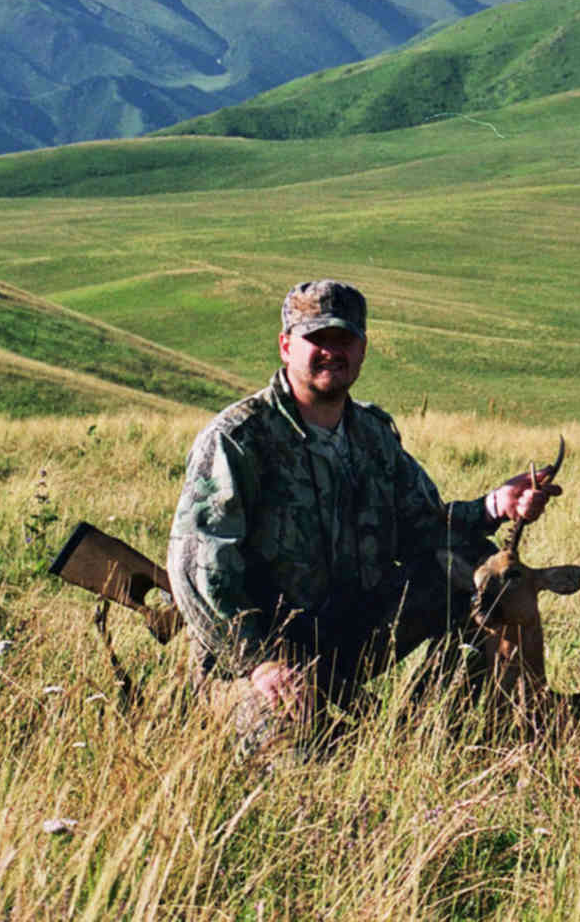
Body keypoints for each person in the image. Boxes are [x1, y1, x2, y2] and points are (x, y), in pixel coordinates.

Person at [168, 279, 558, 749]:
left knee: (475, 570)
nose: (332, 352)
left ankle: (435, 731)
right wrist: (262, 663)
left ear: (363, 349)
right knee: (298, 757)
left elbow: (425, 529)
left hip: (347, 636)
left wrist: (495, 506)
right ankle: (266, 720)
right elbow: (197, 569)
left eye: (344, 340)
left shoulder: (372, 434)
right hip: (253, 660)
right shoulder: (237, 439)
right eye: (317, 339)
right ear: (286, 345)